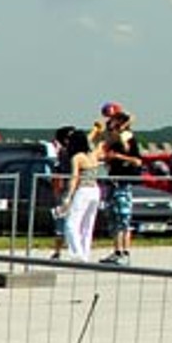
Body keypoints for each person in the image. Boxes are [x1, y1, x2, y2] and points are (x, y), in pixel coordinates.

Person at [98, 103, 139, 265]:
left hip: (123, 183)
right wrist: (108, 157)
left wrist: (119, 157)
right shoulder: (112, 140)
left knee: (124, 218)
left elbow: (136, 161)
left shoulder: (129, 139)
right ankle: (116, 251)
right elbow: (105, 152)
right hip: (113, 182)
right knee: (113, 219)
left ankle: (125, 252)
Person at [55, 126, 101, 262]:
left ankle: (77, 253)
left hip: (83, 190)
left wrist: (68, 196)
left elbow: (74, 177)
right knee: (88, 225)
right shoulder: (93, 155)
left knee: (71, 224)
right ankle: (85, 253)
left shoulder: (77, 157)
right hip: (95, 190)